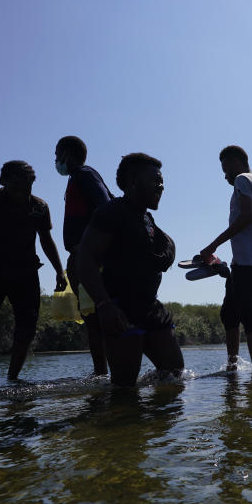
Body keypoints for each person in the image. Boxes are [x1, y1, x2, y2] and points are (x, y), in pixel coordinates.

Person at [75, 152, 184, 387]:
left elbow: (161, 249)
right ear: (134, 181)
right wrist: (104, 306)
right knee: (125, 390)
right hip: (120, 310)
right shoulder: (111, 212)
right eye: (155, 180)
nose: (161, 186)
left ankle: (151, 425)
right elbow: (84, 260)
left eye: (162, 180)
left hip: (150, 307)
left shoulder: (146, 218)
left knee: (174, 377)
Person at [0, 161, 67, 382]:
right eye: (16, 187)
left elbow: (46, 240)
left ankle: (12, 380)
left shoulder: (39, 207)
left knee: (27, 329)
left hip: (25, 275)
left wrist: (59, 271)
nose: (23, 193)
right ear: (4, 182)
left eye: (28, 186)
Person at [197, 145, 252, 373]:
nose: (225, 176)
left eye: (225, 169)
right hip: (249, 260)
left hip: (249, 261)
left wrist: (213, 245)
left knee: (248, 311)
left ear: (235, 162)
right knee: (229, 313)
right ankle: (232, 366)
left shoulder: (242, 179)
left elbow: (246, 217)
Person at [55, 135, 113, 376]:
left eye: (58, 154)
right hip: (81, 256)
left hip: (89, 257)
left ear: (68, 153)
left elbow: (104, 207)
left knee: (96, 317)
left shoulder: (85, 175)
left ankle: (103, 374)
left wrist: (90, 250)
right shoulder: (76, 179)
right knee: (91, 317)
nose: (56, 160)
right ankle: (101, 372)